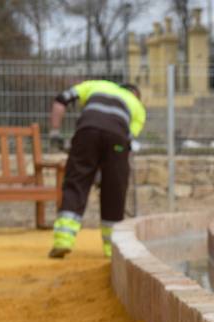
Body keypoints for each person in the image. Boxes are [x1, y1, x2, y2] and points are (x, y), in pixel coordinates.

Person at [47, 79, 146, 259]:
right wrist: (107, 172)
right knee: (114, 191)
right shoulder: (138, 107)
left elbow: (61, 100)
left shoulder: (97, 85)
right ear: (136, 95)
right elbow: (128, 140)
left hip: (87, 132)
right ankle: (111, 249)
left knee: (75, 182)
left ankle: (63, 240)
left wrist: (55, 133)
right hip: (117, 138)